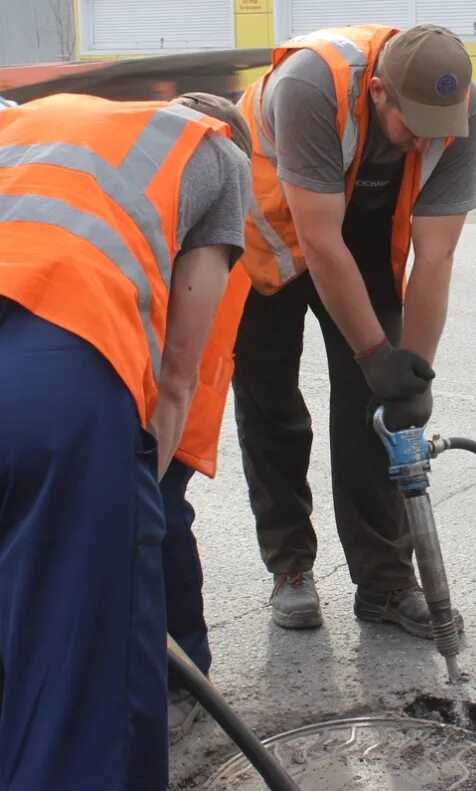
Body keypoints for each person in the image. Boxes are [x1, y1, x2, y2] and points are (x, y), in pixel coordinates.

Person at [0, 91, 252, 789]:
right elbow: (176, 379)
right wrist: (135, 505)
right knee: (84, 695)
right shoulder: (222, 157)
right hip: (49, 384)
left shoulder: (42, 123)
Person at [228, 22, 476, 633]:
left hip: (358, 228)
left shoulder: (461, 107)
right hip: (266, 226)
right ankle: (290, 566)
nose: (423, 143)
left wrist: (409, 375)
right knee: (271, 402)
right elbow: (317, 241)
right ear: (377, 92)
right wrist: (372, 349)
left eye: (436, 130)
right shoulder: (310, 86)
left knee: (376, 405)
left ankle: (386, 585)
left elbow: (437, 254)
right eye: (411, 128)